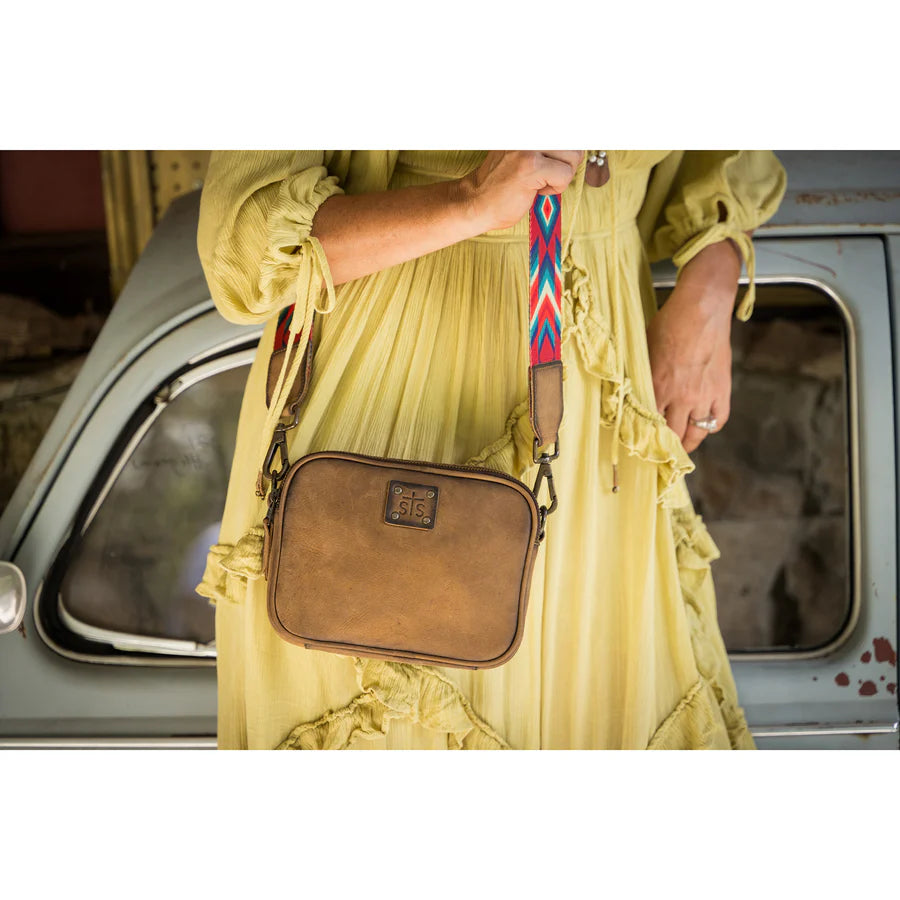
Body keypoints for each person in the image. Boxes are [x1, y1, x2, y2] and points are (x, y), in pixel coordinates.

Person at [196, 150, 786, 750]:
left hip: (601, 408)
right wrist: (469, 200)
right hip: (393, 401)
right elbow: (245, 238)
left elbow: (724, 164)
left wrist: (709, 299)